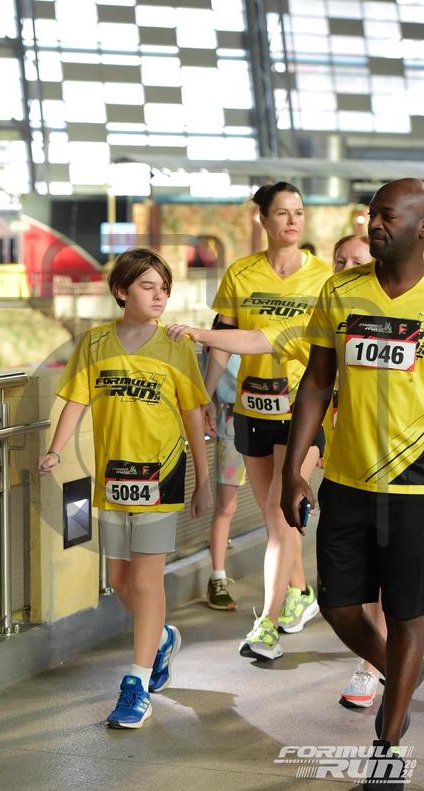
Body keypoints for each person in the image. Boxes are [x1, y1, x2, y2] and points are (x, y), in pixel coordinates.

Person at [281, 178, 424, 787]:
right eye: (371, 215)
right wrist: (293, 467)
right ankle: (403, 676)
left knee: (410, 614)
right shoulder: (340, 292)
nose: (374, 224)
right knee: (338, 605)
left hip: (416, 488)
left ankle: (387, 744)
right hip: (345, 478)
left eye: (388, 215)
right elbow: (317, 382)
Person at [38, 247, 212, 730]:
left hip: (161, 474)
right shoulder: (95, 343)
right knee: (119, 579)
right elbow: (76, 399)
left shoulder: (176, 345)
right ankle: (160, 638)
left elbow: (193, 414)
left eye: (164, 288)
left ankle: (136, 682)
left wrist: (201, 479)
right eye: (147, 286)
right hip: (113, 477)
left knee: (147, 580)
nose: (159, 296)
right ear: (121, 291)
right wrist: (55, 450)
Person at [203, 181, 332, 659]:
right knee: (277, 521)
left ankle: (267, 626)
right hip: (252, 409)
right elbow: (222, 340)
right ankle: (300, 591)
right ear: (263, 219)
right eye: (282, 212)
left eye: (299, 212)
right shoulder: (241, 273)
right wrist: (203, 396)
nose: (293, 220)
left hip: (303, 409)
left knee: (280, 517)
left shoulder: (323, 278)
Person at [328, 234, 388, 710]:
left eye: (357, 260)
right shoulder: (333, 307)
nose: (347, 267)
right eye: (340, 260)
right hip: (348, 469)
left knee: (395, 582)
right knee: (357, 584)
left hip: (407, 472)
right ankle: (381, 662)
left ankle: (378, 666)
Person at [201, 317, 246, 610]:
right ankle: (217, 577)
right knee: (226, 505)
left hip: (275, 419)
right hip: (233, 422)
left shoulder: (267, 327)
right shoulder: (219, 334)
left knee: (278, 508)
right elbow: (210, 386)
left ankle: (292, 584)